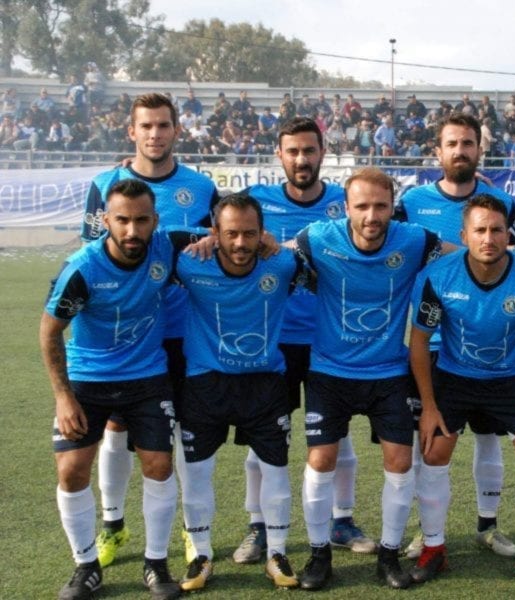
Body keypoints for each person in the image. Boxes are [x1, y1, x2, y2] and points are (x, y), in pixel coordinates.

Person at [80, 92, 219, 569]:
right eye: (146, 126)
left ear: (177, 130)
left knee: (183, 428)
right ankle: (113, 525)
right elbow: (91, 255)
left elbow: (220, 243)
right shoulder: (104, 184)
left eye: (163, 125)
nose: (155, 134)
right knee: (116, 427)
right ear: (132, 131)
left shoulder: (201, 187)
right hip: (124, 333)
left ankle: (190, 531)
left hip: (183, 329)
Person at [292, 167, 445, 590]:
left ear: (393, 207)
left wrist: (514, 252)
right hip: (329, 370)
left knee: (399, 461)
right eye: (362, 206)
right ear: (345, 207)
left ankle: (389, 556)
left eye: (381, 206)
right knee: (320, 460)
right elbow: (276, 253)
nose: (372, 216)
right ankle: (319, 555)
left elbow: (462, 254)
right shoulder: (317, 238)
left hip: (388, 371)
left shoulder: (414, 240)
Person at [394, 113, 515, 559]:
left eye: (468, 143)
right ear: (437, 151)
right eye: (452, 143)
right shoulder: (411, 201)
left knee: (488, 437)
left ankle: (487, 526)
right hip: (431, 343)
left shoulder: (501, 203)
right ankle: (426, 532)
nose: (460, 151)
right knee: (428, 441)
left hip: (490, 344)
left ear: (479, 149)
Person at [232, 118, 373, 564]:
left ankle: (342, 520)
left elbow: (392, 222)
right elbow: (216, 231)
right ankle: (257, 526)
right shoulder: (256, 201)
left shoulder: (344, 203)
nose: (301, 159)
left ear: (322, 153)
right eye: (292, 151)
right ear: (279, 155)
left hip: (330, 340)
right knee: (261, 436)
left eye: (309, 150)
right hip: (269, 341)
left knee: (338, 435)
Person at [42, 179, 187, 600]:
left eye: (141, 220)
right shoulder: (82, 268)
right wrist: (64, 397)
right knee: (72, 470)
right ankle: (86, 566)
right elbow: (50, 332)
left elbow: (223, 235)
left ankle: (156, 564)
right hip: (88, 380)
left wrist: (259, 241)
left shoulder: (167, 246)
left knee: (158, 465)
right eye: (122, 220)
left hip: (147, 377)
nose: (131, 230)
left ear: (155, 221)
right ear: (105, 220)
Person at [408, 195, 515, 588]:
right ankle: (433, 548)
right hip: (454, 377)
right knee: (434, 451)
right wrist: (429, 406)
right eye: (480, 230)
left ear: (508, 234)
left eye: (496, 230)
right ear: (464, 236)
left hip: (513, 379)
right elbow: (419, 341)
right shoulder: (439, 275)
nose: (488, 238)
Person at [174, 194, 302, 591]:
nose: (241, 243)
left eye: (250, 233)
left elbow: (312, 247)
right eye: (230, 234)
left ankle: (276, 553)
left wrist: (278, 244)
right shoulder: (190, 263)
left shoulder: (282, 264)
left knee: (275, 469)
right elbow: (160, 238)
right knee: (196, 473)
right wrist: (197, 237)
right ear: (215, 232)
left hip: (264, 384)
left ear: (263, 233)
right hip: (204, 384)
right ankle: (200, 555)